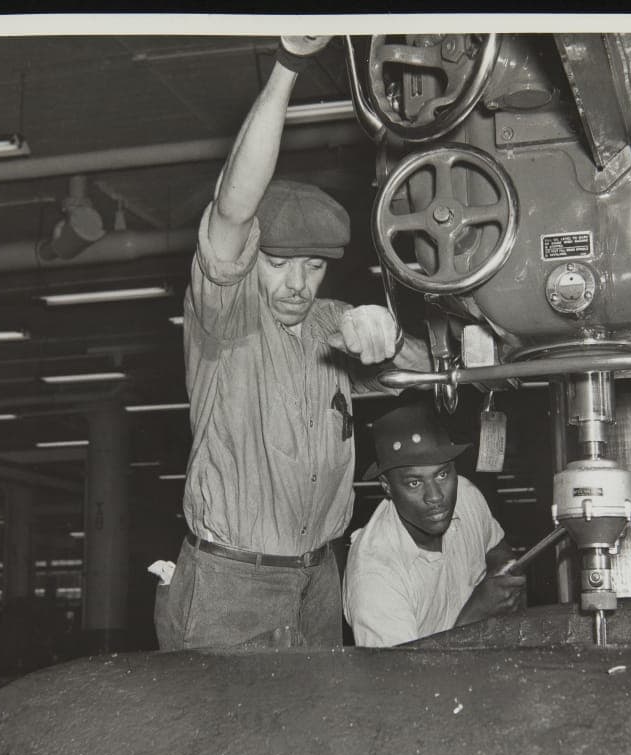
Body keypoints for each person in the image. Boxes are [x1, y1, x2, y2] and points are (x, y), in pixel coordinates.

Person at [155, 35, 428, 651]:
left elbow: (431, 368)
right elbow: (232, 206)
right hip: (230, 583)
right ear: (253, 259)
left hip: (317, 575)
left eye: (314, 266)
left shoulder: (331, 320)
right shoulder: (223, 317)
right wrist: (288, 66)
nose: (298, 286)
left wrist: (392, 335)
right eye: (280, 263)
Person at [343, 403, 527, 647]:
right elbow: (399, 681)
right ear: (387, 486)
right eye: (414, 483)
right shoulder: (374, 575)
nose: (436, 497)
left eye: (442, 475)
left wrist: (503, 575)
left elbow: (496, 548)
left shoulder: (467, 496)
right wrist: (475, 615)